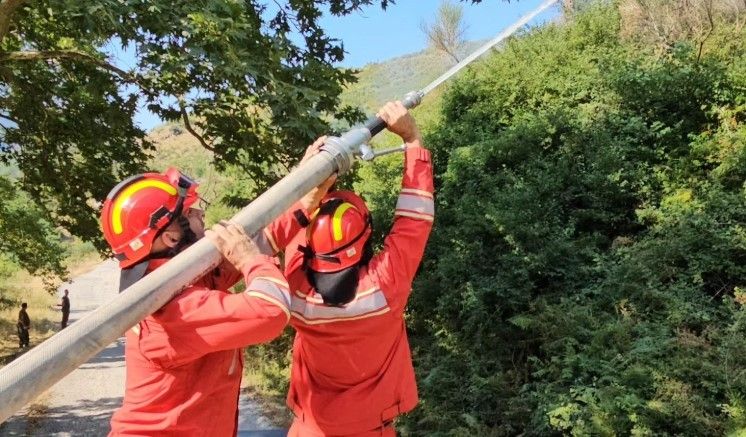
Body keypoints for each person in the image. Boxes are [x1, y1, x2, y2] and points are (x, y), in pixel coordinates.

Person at [258, 101, 435, 436]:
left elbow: (291, 225)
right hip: (372, 428)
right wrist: (412, 139)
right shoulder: (384, 286)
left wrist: (307, 177)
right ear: (365, 238)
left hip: (308, 429)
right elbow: (415, 220)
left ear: (310, 244)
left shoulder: (295, 288)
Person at [99, 167, 314, 436]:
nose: (201, 214)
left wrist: (305, 197)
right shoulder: (172, 308)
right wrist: (249, 260)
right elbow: (272, 310)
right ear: (172, 237)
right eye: (190, 212)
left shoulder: (173, 278)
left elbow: (258, 243)